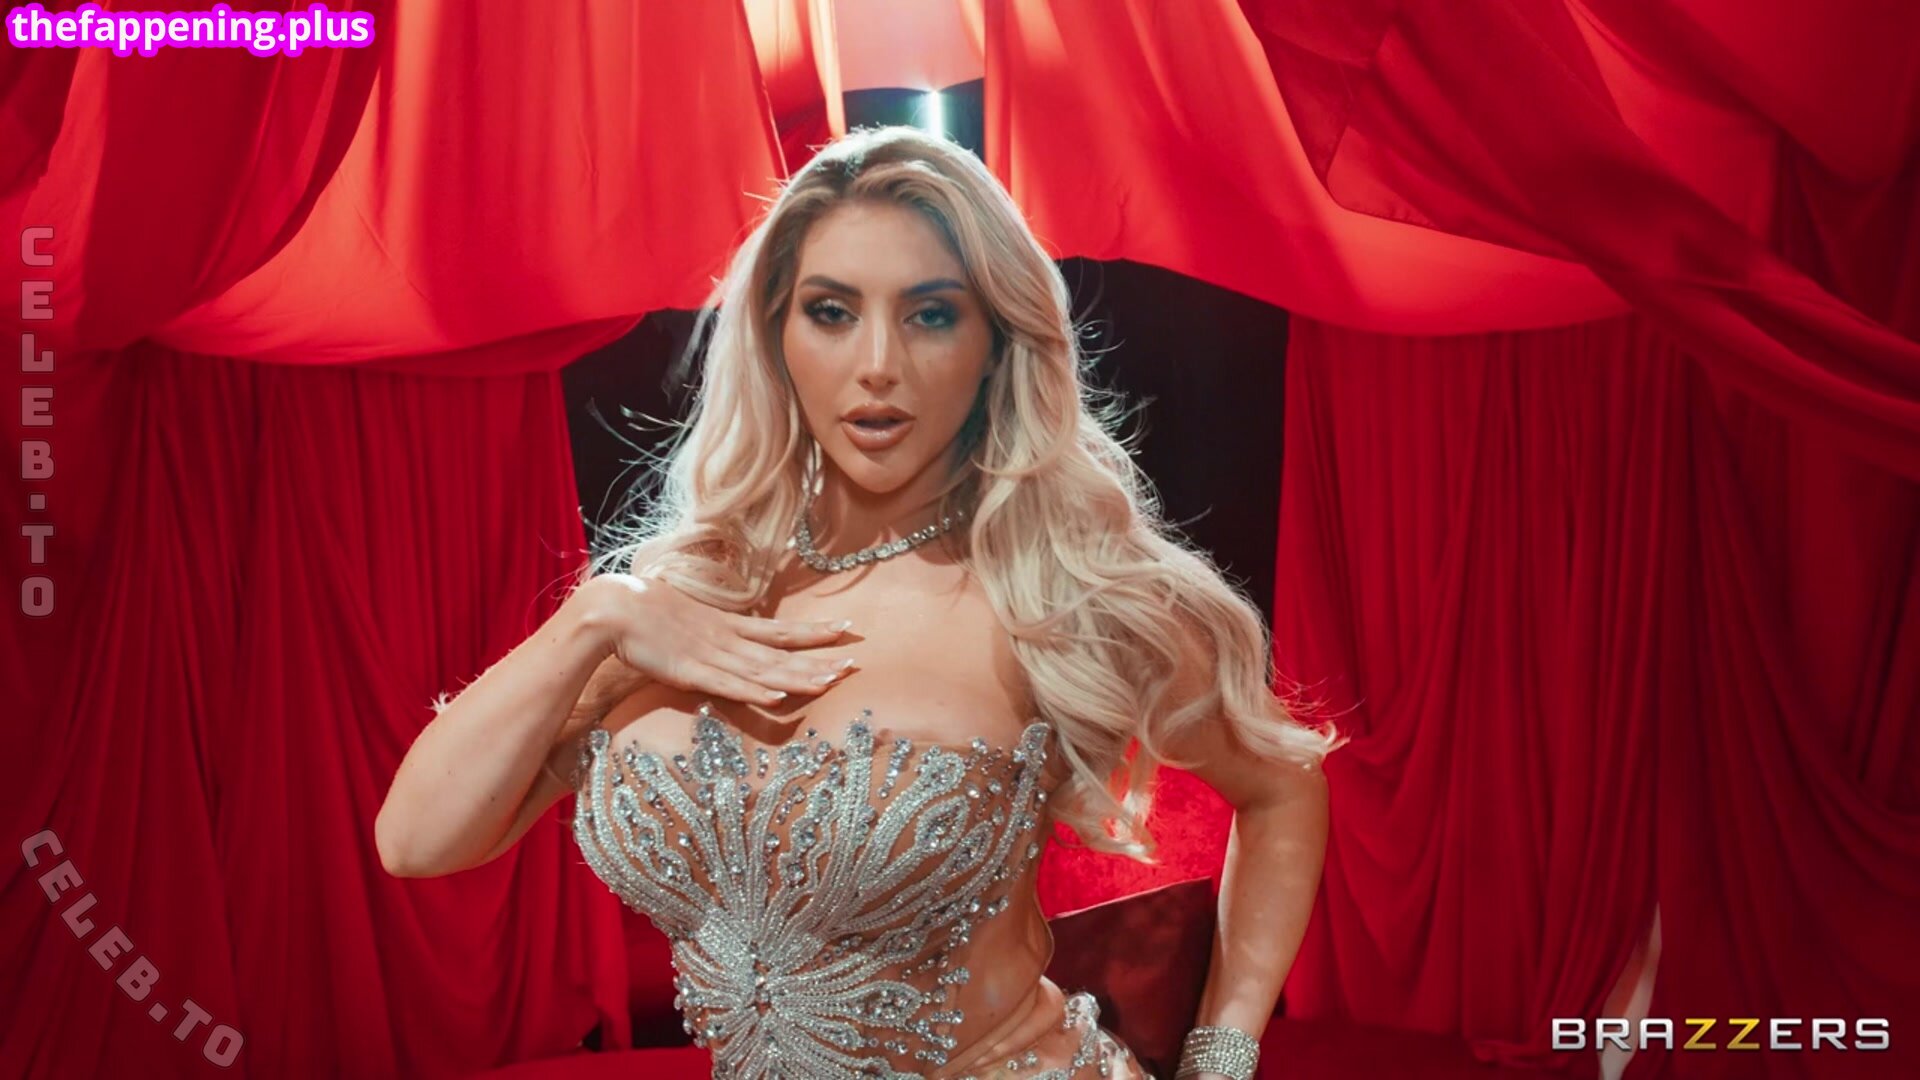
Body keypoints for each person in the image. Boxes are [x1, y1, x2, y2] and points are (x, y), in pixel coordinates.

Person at [376, 125, 1341, 1080]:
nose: (878, 362)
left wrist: (1223, 1055)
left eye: (931, 315)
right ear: (776, 335)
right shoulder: (687, 601)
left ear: (996, 345)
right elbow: (416, 841)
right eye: (832, 311)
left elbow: (1282, 787)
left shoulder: (1060, 595)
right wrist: (599, 616)